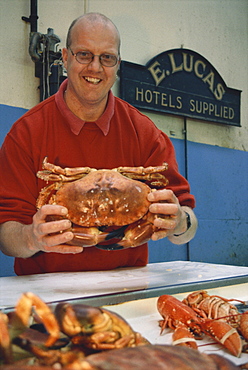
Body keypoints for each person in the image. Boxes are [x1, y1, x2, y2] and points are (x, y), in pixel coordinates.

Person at [0, 13, 197, 275]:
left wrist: (180, 222)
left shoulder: (145, 133)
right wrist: (30, 237)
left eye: (107, 57)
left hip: (127, 287)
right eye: (84, 54)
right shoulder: (26, 133)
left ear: (117, 65)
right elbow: (5, 234)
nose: (95, 67)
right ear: (65, 57)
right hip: (47, 293)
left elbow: (188, 226)